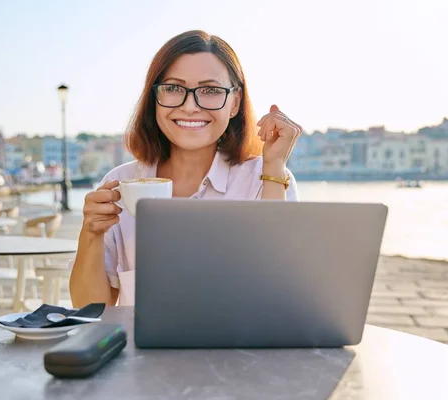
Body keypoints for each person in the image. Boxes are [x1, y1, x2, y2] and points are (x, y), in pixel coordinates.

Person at [70, 30, 302, 307]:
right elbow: (90, 309)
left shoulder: (265, 179)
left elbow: (279, 292)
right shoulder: (121, 183)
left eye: (211, 90)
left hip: (236, 350)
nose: (190, 106)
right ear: (154, 98)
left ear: (235, 102)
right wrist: (91, 234)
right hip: (138, 350)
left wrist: (274, 166)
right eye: (173, 88)